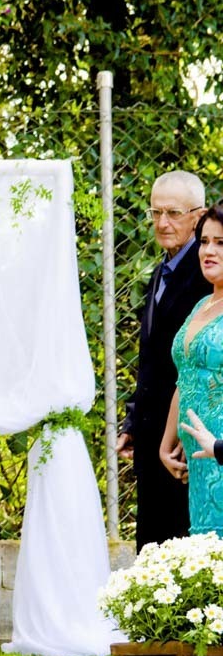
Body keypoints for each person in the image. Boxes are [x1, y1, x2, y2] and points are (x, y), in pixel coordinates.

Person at [118, 171, 210, 551]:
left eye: (173, 213)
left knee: (183, 548)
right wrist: (134, 421)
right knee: (152, 548)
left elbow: (197, 364)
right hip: (153, 434)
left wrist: (180, 432)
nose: (162, 223)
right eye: (155, 213)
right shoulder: (161, 271)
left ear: (198, 215)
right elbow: (154, 358)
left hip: (187, 436)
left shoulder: (206, 273)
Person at [160, 204, 223, 534]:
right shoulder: (202, 304)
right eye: (204, 241)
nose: (209, 251)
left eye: (221, 243)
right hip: (197, 462)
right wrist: (166, 443)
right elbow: (185, 378)